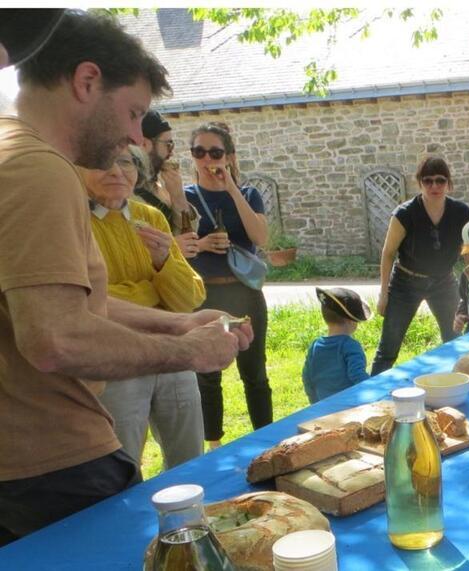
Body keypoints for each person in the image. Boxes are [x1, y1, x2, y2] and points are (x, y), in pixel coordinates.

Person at [0, 10, 250, 546]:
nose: (135, 137)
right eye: (134, 112)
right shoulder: (41, 169)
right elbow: (55, 338)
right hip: (55, 465)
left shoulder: (8, 152)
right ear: (87, 81)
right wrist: (192, 354)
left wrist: (178, 325)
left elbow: (68, 305)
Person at [83, 146, 207, 470]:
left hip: (173, 350)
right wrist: (152, 290)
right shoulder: (74, 223)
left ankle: (194, 518)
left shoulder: (150, 217)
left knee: (190, 456)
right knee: (123, 462)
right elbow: (87, 301)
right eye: (103, 161)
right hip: (115, 358)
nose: (117, 171)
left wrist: (165, 261)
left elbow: (190, 297)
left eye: (126, 162)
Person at [185, 122, 272, 450]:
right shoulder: (185, 198)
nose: (208, 159)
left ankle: (266, 440)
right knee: (207, 375)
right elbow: (179, 245)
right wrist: (204, 244)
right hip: (205, 293)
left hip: (245, 293)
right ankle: (214, 446)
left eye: (216, 152)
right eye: (199, 152)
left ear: (230, 156)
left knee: (255, 373)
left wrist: (232, 188)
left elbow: (260, 237)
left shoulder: (248, 194)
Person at [371, 156, 469, 375]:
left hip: (443, 282)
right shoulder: (404, 214)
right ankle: (368, 401)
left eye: (440, 180)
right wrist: (383, 293)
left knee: (455, 341)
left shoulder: (462, 213)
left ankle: (460, 387)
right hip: (405, 283)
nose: (434, 186)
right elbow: (388, 253)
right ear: (419, 183)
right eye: (428, 180)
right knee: (388, 348)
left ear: (448, 183)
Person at [134, 110, 200, 259]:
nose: (171, 153)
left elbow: (190, 234)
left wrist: (178, 196)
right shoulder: (125, 191)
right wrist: (173, 248)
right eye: (168, 144)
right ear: (144, 144)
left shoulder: (158, 186)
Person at [302, 287, 371, 404]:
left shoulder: (315, 346)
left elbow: (307, 378)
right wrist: (375, 392)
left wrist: (315, 404)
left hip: (323, 406)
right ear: (352, 321)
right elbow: (358, 377)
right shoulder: (351, 346)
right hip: (349, 406)